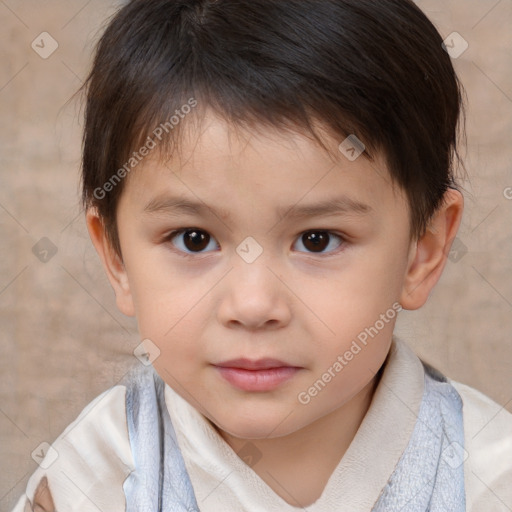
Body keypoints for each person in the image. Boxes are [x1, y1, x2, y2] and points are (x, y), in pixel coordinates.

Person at [13, 0, 512, 510]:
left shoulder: (488, 477)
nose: (253, 306)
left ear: (420, 253)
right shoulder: (97, 474)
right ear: (116, 258)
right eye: (194, 239)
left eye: (317, 240)